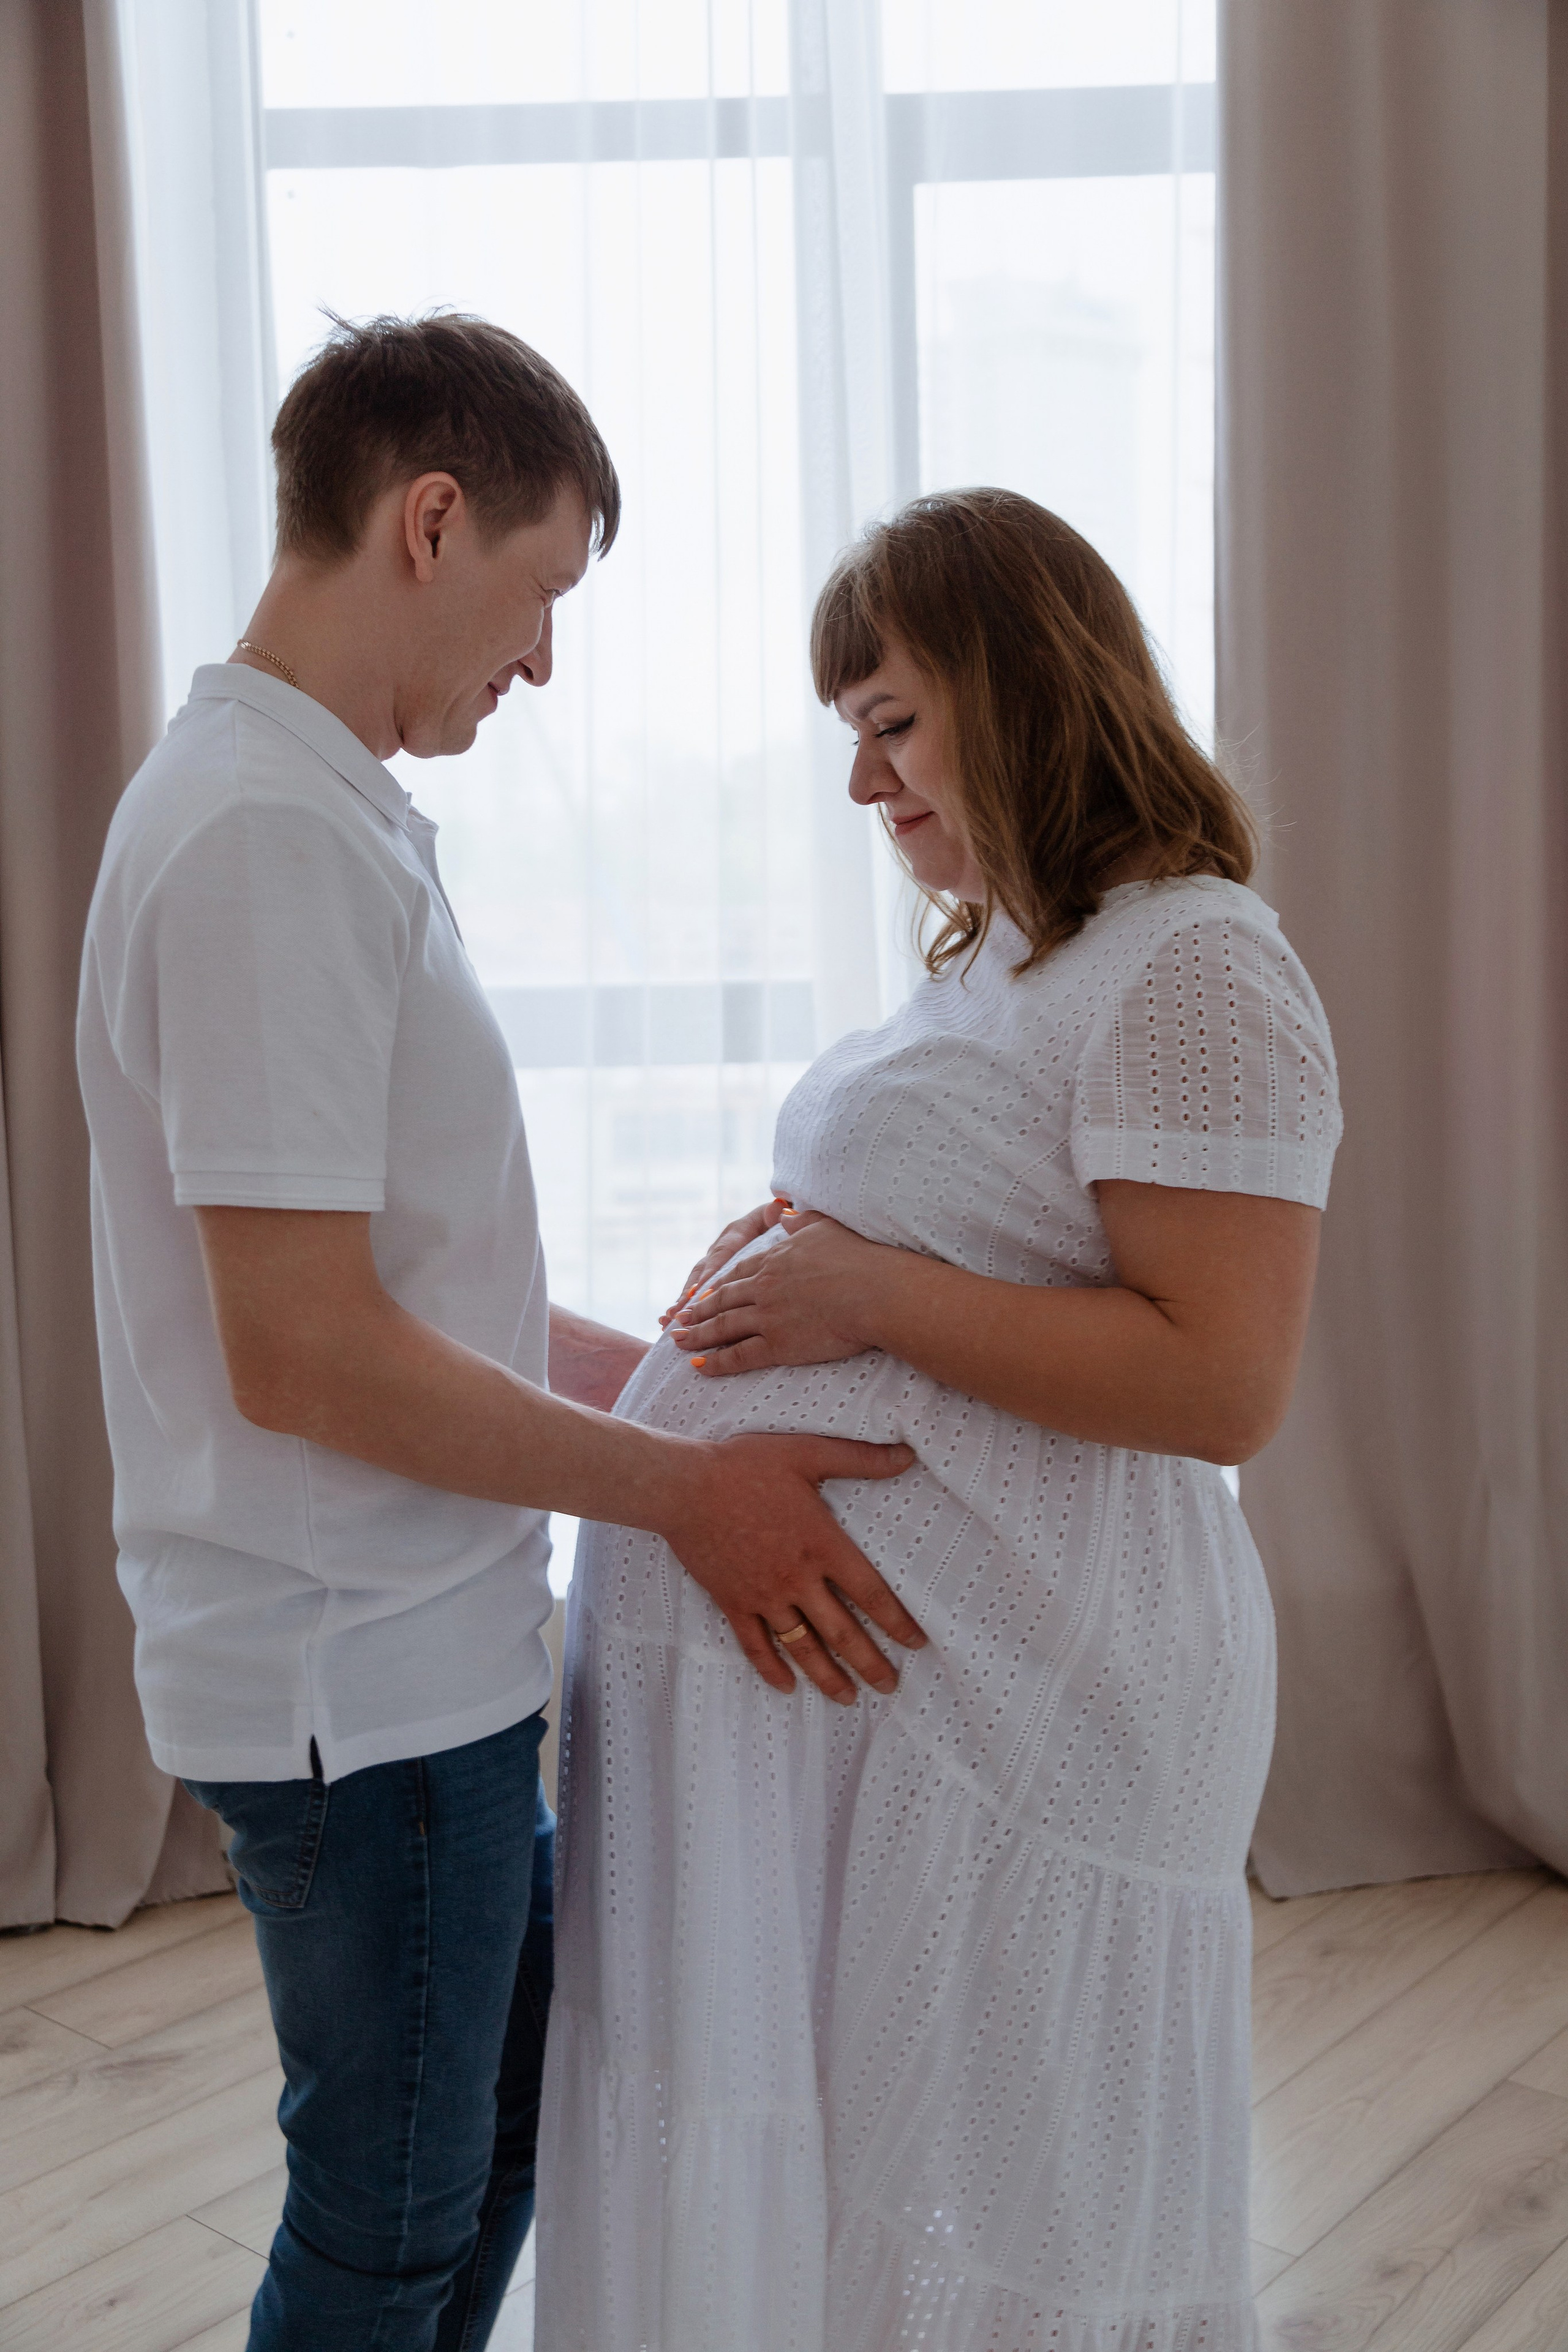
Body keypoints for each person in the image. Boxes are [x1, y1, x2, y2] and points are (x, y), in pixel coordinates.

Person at [77, 311, 921, 2352]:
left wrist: (686, 1378)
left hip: (411, 1663)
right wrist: (686, 1495)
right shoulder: (267, 838)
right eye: (542, 593)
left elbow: (411, 1291)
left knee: (482, 2169)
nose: (540, 662)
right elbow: (306, 1352)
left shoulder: (316, 812)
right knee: (384, 2231)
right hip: (354, 1684)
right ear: (432, 522)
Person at [537, 488, 1342, 2352]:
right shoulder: (1007, 956)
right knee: (857, 2184)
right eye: (852, 735)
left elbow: (1223, 1380)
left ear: (1026, 688)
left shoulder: (1198, 964)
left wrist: (866, 1291)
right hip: (902, 1702)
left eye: (893, 724)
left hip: (1042, 1708)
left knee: (1005, 2204)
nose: (863, 783)